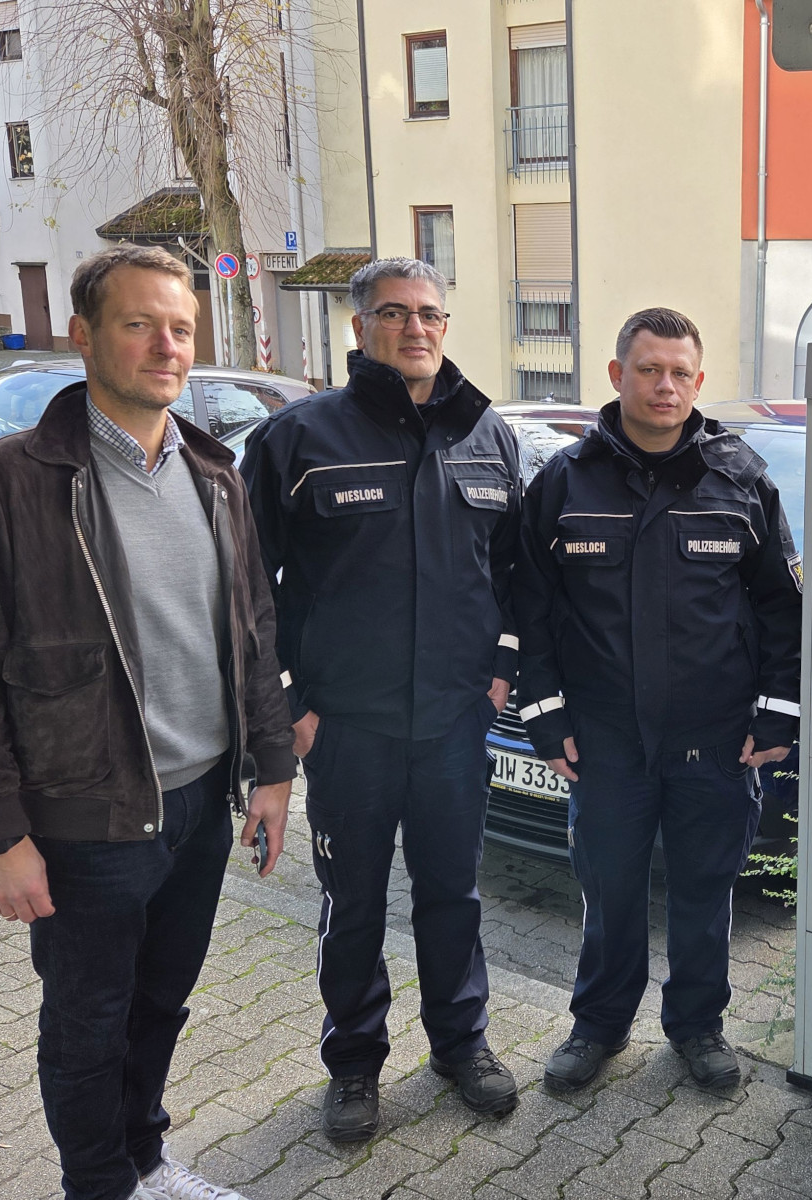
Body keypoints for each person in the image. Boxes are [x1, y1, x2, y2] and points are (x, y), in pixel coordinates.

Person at [0, 244, 296, 1200]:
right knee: (88, 1020)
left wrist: (271, 772)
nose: (166, 346)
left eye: (179, 328)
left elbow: (252, 628)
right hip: (85, 820)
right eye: (139, 324)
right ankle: (98, 1183)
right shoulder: (8, 483)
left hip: (202, 805)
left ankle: (145, 1161)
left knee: (160, 1004)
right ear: (83, 334)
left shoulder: (215, 475)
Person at [240, 258, 522, 1141]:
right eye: (394, 314)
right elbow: (250, 589)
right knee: (353, 902)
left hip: (450, 724)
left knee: (452, 894)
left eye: (430, 314)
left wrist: (501, 669)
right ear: (358, 328)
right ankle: (355, 1062)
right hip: (347, 727)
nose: (416, 329)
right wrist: (290, 702)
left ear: (447, 324)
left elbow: (518, 575)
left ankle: (459, 1043)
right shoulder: (299, 438)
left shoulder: (488, 436)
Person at [514, 307, 802, 1093]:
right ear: (617, 376)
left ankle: (698, 1026)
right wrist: (545, 715)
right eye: (650, 369)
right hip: (605, 741)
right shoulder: (564, 482)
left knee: (706, 889)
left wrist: (780, 712)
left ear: (698, 382)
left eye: (680, 372)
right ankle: (599, 1026)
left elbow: (783, 605)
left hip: (713, 741)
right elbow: (529, 609)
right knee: (607, 887)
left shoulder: (740, 480)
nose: (665, 385)